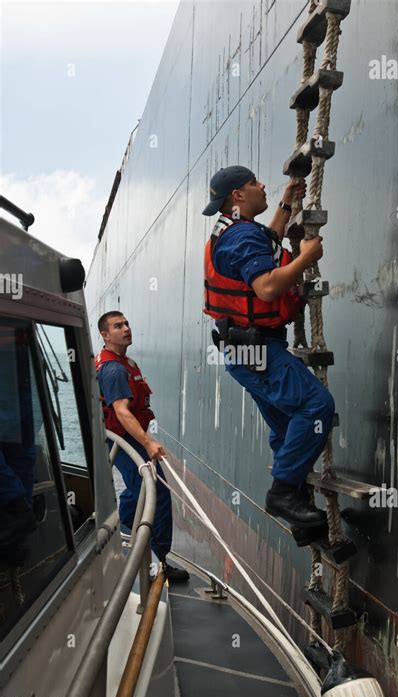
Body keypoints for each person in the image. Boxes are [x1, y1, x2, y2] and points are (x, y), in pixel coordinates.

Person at [202, 166, 335, 541]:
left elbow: (267, 244)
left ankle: (300, 516)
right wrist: (307, 256)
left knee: (285, 427)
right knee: (316, 406)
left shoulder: (233, 229)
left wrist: (285, 203)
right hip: (257, 348)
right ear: (238, 196)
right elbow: (265, 287)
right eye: (254, 183)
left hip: (246, 350)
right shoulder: (241, 236)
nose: (262, 185)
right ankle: (282, 494)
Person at [95, 311, 189, 582]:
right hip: (126, 439)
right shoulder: (114, 369)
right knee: (152, 492)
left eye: (126, 324)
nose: (126, 329)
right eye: (117, 326)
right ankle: (147, 553)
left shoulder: (122, 362)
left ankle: (146, 552)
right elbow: (122, 412)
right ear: (105, 335)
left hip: (126, 437)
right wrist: (148, 442)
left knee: (149, 491)